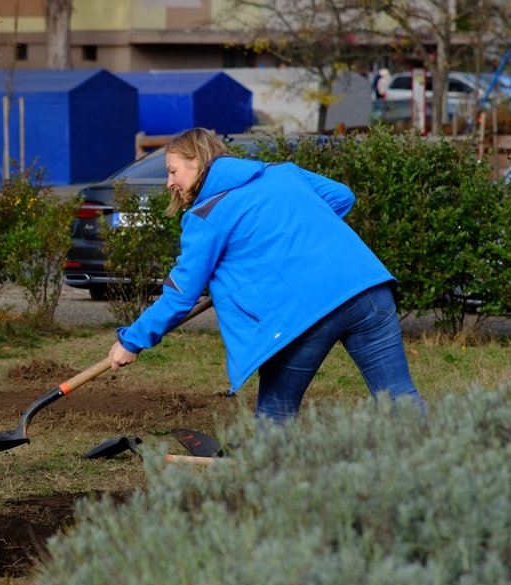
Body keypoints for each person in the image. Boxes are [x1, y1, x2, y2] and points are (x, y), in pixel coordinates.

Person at [108, 128, 425, 424]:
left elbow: (180, 295)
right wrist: (291, 232)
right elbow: (342, 196)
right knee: (399, 396)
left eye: (172, 170)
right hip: (366, 288)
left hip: (304, 314)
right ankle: (440, 468)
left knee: (276, 414)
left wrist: (132, 341)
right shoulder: (280, 173)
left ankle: (270, 479)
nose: (169, 182)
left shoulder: (208, 216)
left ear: (196, 161)